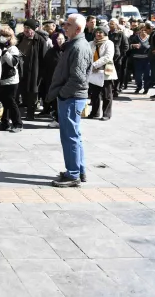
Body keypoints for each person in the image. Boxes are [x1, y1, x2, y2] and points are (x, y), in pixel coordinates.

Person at [46, 14, 92, 188]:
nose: (64, 27)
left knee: (70, 136)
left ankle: (73, 174)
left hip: (72, 97)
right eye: (64, 24)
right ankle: (78, 170)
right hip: (72, 97)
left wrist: (63, 94)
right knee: (74, 136)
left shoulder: (79, 47)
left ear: (78, 29)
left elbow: (78, 78)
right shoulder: (74, 44)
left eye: (68, 25)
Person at [17, 19, 48, 121]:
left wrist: (41, 75)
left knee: (32, 92)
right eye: (25, 27)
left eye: (28, 28)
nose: (26, 30)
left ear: (34, 29)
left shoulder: (40, 41)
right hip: (20, 69)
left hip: (34, 71)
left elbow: (44, 59)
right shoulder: (20, 37)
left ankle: (30, 114)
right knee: (21, 90)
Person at [0, 26, 23, 132]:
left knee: (11, 102)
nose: (3, 37)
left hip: (11, 80)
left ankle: (18, 124)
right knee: (4, 102)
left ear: (10, 37)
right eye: (2, 35)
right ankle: (5, 123)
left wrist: (4, 51)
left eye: (6, 35)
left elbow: (13, 62)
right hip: (1, 79)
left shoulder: (13, 48)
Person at [88, 25, 116, 121]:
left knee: (107, 94)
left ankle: (106, 114)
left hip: (105, 70)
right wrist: (91, 66)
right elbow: (87, 55)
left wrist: (95, 65)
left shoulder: (109, 43)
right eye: (97, 32)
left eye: (101, 33)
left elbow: (108, 56)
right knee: (94, 93)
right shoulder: (91, 43)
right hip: (94, 71)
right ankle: (95, 112)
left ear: (105, 34)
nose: (98, 34)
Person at [41, 32, 65, 127]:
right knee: (55, 100)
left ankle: (61, 120)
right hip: (53, 80)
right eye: (58, 39)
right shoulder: (50, 52)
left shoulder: (67, 50)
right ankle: (57, 119)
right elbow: (46, 68)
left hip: (65, 80)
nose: (61, 41)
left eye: (62, 38)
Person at [107, 19, 128, 98]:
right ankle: (110, 89)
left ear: (116, 25)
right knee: (109, 74)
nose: (111, 25)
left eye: (112, 24)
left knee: (117, 75)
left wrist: (121, 56)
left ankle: (116, 89)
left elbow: (126, 46)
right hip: (109, 58)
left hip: (118, 58)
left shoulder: (120, 34)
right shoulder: (108, 34)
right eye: (110, 24)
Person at [129, 26, 151, 94]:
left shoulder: (150, 38)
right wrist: (133, 45)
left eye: (145, 30)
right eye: (142, 30)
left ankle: (146, 88)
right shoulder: (135, 38)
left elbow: (153, 46)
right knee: (138, 75)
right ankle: (139, 86)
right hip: (137, 59)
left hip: (147, 60)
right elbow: (128, 45)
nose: (143, 32)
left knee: (147, 75)